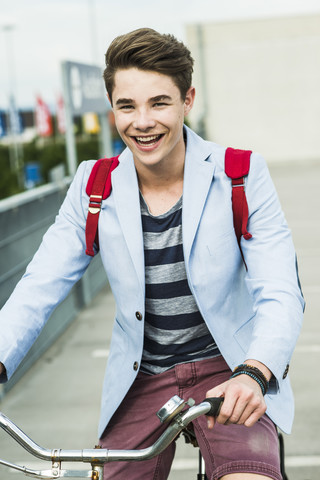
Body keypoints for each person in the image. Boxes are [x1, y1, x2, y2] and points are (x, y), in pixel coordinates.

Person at [0, 28, 304, 480]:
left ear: (188, 100)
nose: (142, 122)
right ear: (112, 110)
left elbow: (280, 291)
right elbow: (39, 286)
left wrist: (254, 373)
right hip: (141, 377)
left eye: (159, 103)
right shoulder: (93, 185)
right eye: (127, 106)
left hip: (231, 367)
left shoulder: (240, 173)